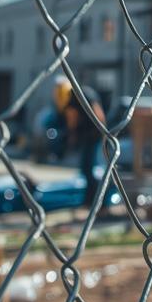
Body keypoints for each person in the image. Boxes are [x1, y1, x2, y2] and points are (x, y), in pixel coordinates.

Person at [45, 77, 107, 209]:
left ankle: (96, 202)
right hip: (87, 135)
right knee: (86, 169)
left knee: (89, 168)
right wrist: (71, 140)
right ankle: (91, 201)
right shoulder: (69, 98)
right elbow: (71, 121)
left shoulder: (83, 94)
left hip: (95, 134)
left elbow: (99, 115)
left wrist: (103, 135)